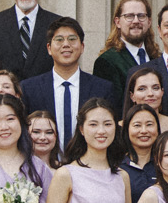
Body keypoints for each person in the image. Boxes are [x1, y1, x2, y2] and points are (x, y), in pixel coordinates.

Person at [20, 18, 113, 152]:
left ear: (82, 47)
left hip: (88, 167)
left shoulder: (102, 88)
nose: (66, 44)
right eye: (59, 39)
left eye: (72, 39)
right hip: (44, 167)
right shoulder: (29, 88)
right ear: (49, 48)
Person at [92, 0, 156, 104]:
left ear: (149, 21)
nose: (136, 21)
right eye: (129, 16)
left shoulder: (156, 57)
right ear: (118, 22)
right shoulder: (107, 61)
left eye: (141, 16)